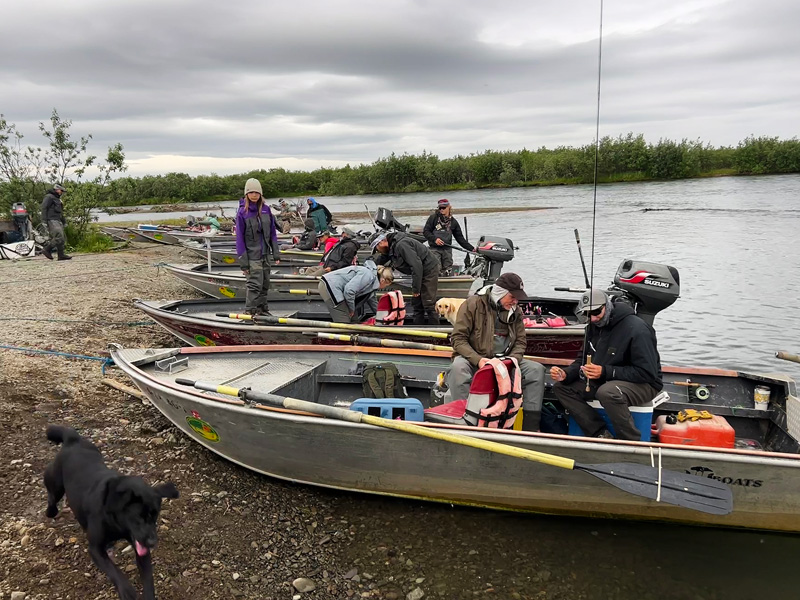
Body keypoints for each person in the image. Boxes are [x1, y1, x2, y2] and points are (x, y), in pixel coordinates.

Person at [550, 289, 662, 441]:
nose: (593, 318)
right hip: (607, 378)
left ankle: (631, 441)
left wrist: (604, 372)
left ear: (607, 306)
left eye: (596, 312)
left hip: (645, 384)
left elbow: (647, 373)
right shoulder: (592, 327)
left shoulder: (638, 329)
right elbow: (582, 360)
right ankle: (600, 434)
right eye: (587, 314)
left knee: (607, 392)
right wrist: (566, 374)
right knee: (561, 388)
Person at [447, 272, 545, 431]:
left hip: (506, 362)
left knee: (536, 370)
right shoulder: (472, 304)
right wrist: (478, 360)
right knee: (458, 368)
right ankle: (466, 423)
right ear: (500, 292)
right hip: (476, 360)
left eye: (517, 298)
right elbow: (457, 339)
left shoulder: (516, 311)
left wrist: (512, 360)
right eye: (512, 297)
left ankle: (531, 428)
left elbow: (520, 342)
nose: (515, 301)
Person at [372, 231, 440, 325]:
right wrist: (369, 267)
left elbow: (416, 266)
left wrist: (416, 289)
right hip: (418, 271)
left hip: (428, 270)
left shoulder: (402, 245)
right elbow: (382, 259)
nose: (378, 251)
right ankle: (418, 328)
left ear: (381, 243)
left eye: (376, 248)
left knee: (428, 303)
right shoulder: (391, 247)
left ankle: (435, 329)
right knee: (416, 304)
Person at [235, 178, 281, 316]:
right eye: (251, 192)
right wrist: (244, 264)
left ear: (261, 194)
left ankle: (262, 310)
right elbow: (239, 239)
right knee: (254, 284)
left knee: (265, 283)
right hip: (251, 255)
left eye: (257, 192)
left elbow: (272, 233)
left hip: (265, 254)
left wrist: (276, 253)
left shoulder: (267, 210)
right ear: (246, 194)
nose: (254, 195)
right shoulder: (242, 213)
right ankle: (250, 311)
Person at [318, 260, 395, 323]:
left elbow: (373, 301)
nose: (384, 287)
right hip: (331, 287)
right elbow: (349, 291)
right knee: (344, 321)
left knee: (354, 320)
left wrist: (382, 316)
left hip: (336, 288)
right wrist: (351, 309)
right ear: (382, 281)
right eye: (386, 285)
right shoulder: (368, 275)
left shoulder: (372, 283)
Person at [423, 198, 474, 276]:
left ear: (449, 207)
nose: (441, 210)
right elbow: (426, 232)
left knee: (448, 270)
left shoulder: (454, 222)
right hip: (434, 249)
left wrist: (472, 249)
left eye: (444, 208)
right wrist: (434, 239)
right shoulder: (433, 218)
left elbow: (460, 239)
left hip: (447, 250)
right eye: (440, 208)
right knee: (436, 268)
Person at [40, 183, 71, 260]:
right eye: (61, 191)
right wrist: (44, 221)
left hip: (58, 220)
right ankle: (47, 249)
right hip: (51, 220)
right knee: (58, 237)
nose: (62, 193)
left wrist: (64, 221)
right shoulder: (49, 197)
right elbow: (44, 208)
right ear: (57, 189)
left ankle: (61, 255)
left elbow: (60, 212)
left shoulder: (58, 199)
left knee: (62, 238)